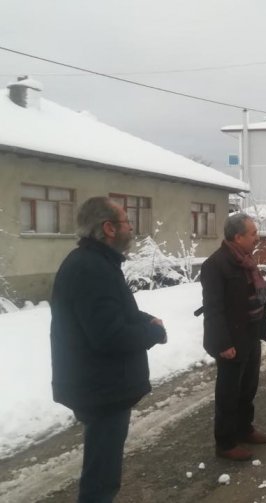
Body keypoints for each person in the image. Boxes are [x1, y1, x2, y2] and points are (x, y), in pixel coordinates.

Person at [50, 197, 167, 503]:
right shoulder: (91, 268)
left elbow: (109, 314)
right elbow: (109, 335)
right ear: (108, 228)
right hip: (101, 388)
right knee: (101, 477)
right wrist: (151, 332)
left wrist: (143, 319)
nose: (131, 228)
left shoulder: (95, 263)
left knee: (102, 466)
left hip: (98, 384)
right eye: (127, 222)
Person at [200, 213, 266, 461]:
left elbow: (257, 288)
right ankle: (225, 443)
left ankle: (244, 429)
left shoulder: (245, 260)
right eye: (253, 234)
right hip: (232, 338)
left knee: (248, 386)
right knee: (228, 392)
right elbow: (213, 308)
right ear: (238, 236)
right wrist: (223, 343)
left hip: (251, 332)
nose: (257, 238)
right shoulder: (216, 265)